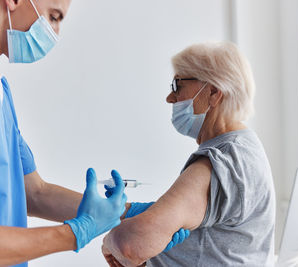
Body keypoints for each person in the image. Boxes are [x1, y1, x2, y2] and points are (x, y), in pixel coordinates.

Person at [0, 0, 185, 266]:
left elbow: (34, 193)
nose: (54, 34)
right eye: (54, 16)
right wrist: (74, 233)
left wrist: (127, 214)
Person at [102, 41, 276, 267]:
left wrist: (110, 240)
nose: (170, 98)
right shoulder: (245, 146)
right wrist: (128, 212)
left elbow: (130, 245)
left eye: (177, 85)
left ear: (213, 92)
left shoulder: (221, 160)